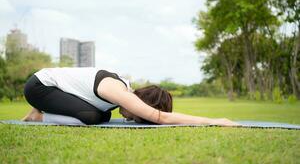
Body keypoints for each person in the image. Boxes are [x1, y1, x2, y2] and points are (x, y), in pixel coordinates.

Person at [22, 67, 240, 126]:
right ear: (140, 103)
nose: (131, 118)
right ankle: (38, 116)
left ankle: (41, 112)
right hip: (40, 87)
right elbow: (160, 117)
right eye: (137, 116)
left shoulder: (121, 91)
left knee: (103, 117)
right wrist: (213, 121)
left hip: (57, 91)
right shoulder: (118, 91)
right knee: (92, 117)